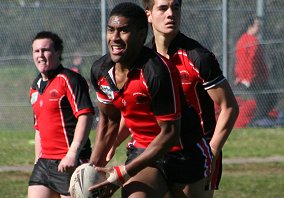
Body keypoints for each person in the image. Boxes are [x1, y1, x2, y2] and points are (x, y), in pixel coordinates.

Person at [89, 2, 211, 198]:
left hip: (184, 151)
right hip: (143, 149)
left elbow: (170, 133)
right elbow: (109, 121)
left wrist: (124, 173)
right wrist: (92, 168)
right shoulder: (101, 71)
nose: (115, 38)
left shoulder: (157, 72)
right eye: (111, 30)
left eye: (123, 31)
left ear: (140, 35)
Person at [142, 0, 239, 197]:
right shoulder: (143, 59)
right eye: (163, 8)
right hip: (159, 149)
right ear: (148, 15)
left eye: (176, 7)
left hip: (198, 151)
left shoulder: (198, 57)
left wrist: (210, 153)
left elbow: (229, 107)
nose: (171, 14)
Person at [27, 31, 94, 198]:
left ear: (58, 52)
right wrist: (37, 161)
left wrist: (73, 153)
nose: (40, 55)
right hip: (44, 164)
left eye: (46, 50)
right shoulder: (35, 86)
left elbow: (85, 116)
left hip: (70, 162)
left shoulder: (70, 79)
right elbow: (39, 128)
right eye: (36, 51)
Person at [234, 16, 277, 127]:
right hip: (252, 79)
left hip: (250, 78)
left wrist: (239, 76)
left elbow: (240, 62)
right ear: (251, 26)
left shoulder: (242, 40)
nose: (260, 27)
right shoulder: (251, 41)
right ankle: (254, 123)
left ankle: (259, 120)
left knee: (269, 96)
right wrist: (249, 78)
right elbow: (249, 61)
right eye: (258, 25)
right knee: (266, 99)